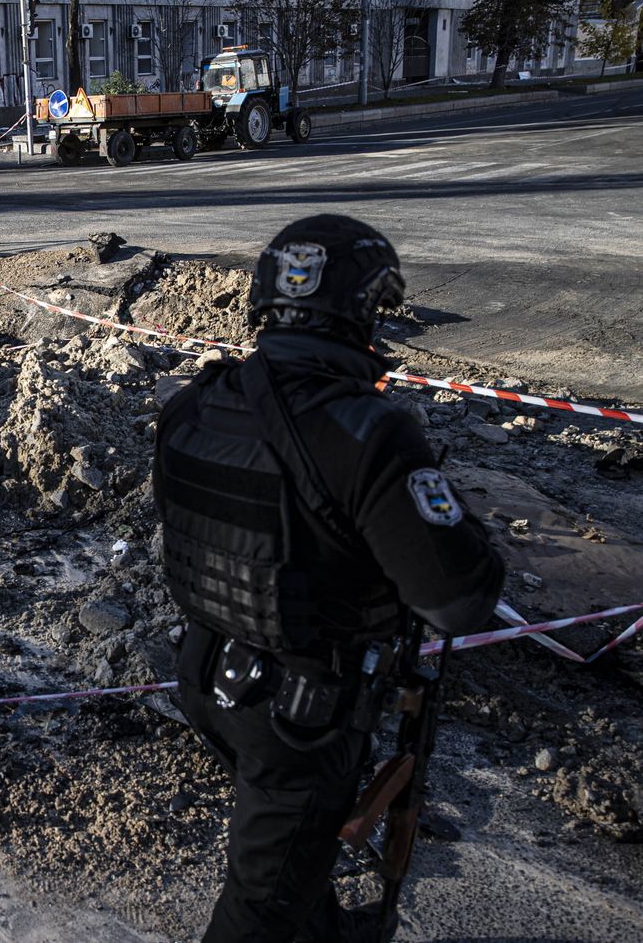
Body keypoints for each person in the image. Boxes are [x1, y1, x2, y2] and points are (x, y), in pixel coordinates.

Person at [151, 215, 504, 942]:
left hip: (206, 675)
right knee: (262, 905)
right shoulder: (368, 430)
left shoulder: (198, 402)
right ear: (364, 313)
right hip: (301, 713)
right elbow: (460, 601)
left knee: (289, 860)